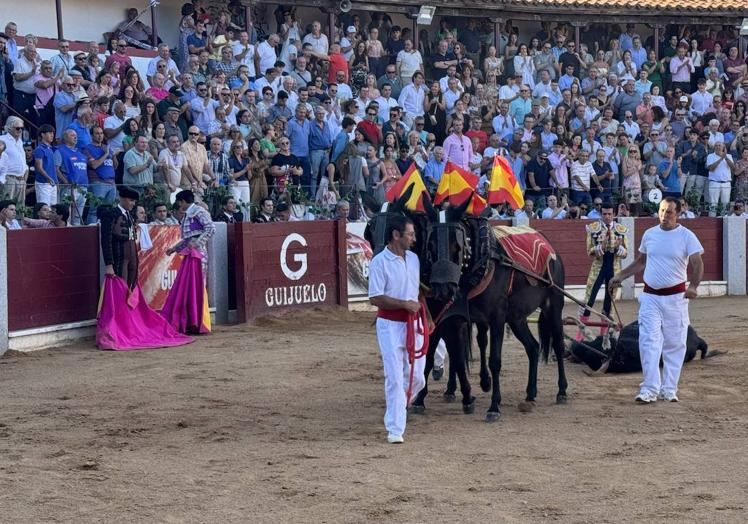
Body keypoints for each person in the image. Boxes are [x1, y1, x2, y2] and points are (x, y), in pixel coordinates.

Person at [610, 197, 704, 404]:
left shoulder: (687, 236)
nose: (664, 215)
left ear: (678, 213)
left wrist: (694, 286)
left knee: (674, 344)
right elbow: (641, 262)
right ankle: (649, 389)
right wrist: (621, 276)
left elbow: (697, 263)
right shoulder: (650, 234)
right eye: (661, 211)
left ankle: (669, 389)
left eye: (669, 212)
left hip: (676, 298)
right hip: (650, 297)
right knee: (648, 342)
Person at [368, 214, 427, 444]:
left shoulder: (413, 259)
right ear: (396, 235)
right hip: (390, 325)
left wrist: (428, 317)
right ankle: (395, 428)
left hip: (414, 323)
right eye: (410, 234)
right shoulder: (379, 262)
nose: (413, 238)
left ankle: (399, 406)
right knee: (394, 376)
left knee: (418, 378)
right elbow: (375, 298)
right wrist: (404, 304)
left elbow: (417, 291)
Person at [163, 190, 216, 334]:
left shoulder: (198, 211)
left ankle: (200, 322)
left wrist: (198, 243)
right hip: (191, 253)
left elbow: (211, 228)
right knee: (190, 286)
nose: (179, 205)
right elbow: (187, 239)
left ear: (183, 201)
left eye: (179, 202)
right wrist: (174, 248)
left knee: (197, 286)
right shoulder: (189, 214)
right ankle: (191, 322)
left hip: (199, 254)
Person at [578, 201, 628, 339]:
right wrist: (601, 247)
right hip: (598, 268)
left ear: (614, 214)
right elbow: (589, 252)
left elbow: (625, 254)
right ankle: (580, 335)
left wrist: (618, 248)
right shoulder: (593, 228)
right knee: (589, 300)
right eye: (605, 214)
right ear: (601, 214)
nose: (607, 216)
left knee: (609, 302)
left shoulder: (621, 230)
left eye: (610, 214)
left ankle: (603, 336)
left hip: (614, 269)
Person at [100, 186, 140, 289]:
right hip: (119, 258)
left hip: (132, 258)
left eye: (134, 201)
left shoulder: (130, 215)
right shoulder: (111, 214)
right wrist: (109, 264)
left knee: (131, 286)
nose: (133, 204)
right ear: (122, 198)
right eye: (131, 200)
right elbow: (106, 239)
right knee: (120, 287)